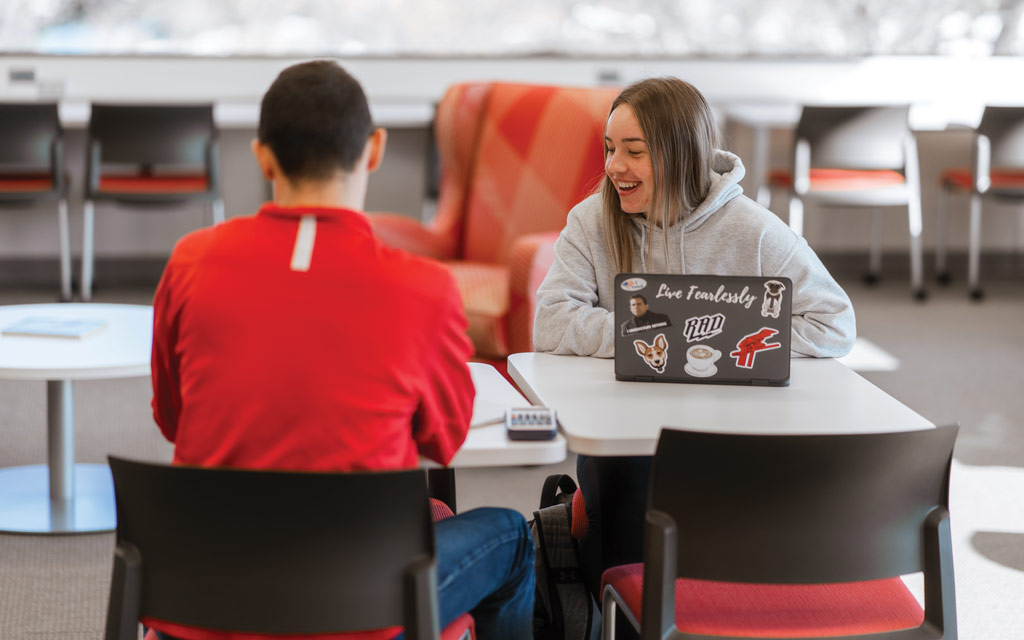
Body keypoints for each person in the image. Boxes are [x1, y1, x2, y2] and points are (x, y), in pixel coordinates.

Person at [149, 60, 533, 640]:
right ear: (375, 149)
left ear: (262, 156)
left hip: (205, 596)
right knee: (510, 534)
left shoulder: (189, 260)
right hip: (361, 609)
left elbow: (174, 421)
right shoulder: (424, 288)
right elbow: (443, 439)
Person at [533, 77, 856, 598]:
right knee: (627, 505)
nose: (613, 166)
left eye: (633, 151)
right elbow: (550, 322)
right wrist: (654, 336)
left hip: (731, 435)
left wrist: (727, 339)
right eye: (610, 148)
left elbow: (833, 324)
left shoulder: (754, 231)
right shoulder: (592, 220)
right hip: (624, 434)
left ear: (681, 155)